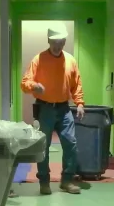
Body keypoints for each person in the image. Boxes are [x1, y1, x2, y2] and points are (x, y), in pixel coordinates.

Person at [21, 22, 85, 195]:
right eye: (55, 41)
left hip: (64, 109)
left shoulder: (70, 60)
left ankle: (66, 181)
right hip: (45, 109)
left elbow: (76, 83)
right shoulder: (39, 59)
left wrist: (79, 103)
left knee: (70, 144)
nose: (58, 45)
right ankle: (44, 182)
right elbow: (25, 83)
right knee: (44, 145)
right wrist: (35, 86)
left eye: (62, 41)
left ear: (65, 41)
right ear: (49, 40)